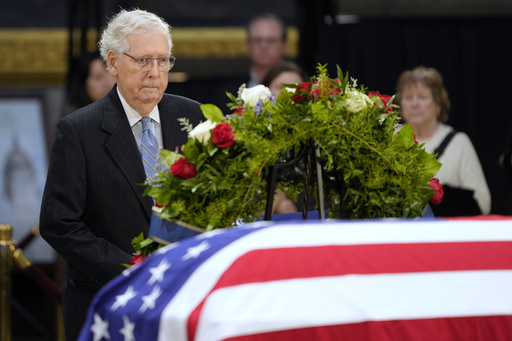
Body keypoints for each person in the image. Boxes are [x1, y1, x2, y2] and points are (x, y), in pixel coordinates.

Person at [39, 9, 203, 340]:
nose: (155, 73)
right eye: (143, 60)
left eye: (163, 60)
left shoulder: (190, 114)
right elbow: (59, 224)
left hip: (183, 296)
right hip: (109, 301)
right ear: (113, 63)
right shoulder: (78, 129)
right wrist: (134, 269)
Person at [395, 66, 491, 216]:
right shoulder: (390, 139)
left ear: (438, 104)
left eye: (422, 97)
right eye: (408, 97)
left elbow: (483, 201)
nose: (414, 104)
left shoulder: (459, 143)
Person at [261, 61, 309, 215]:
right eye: (281, 87)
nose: (289, 93)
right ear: (265, 91)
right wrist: (279, 203)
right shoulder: (250, 134)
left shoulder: (317, 135)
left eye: (296, 88)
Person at [246, 13, 288, 88]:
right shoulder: (225, 92)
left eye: (271, 40)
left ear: (284, 45)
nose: (263, 46)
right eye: (257, 40)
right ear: (248, 45)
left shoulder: (304, 89)